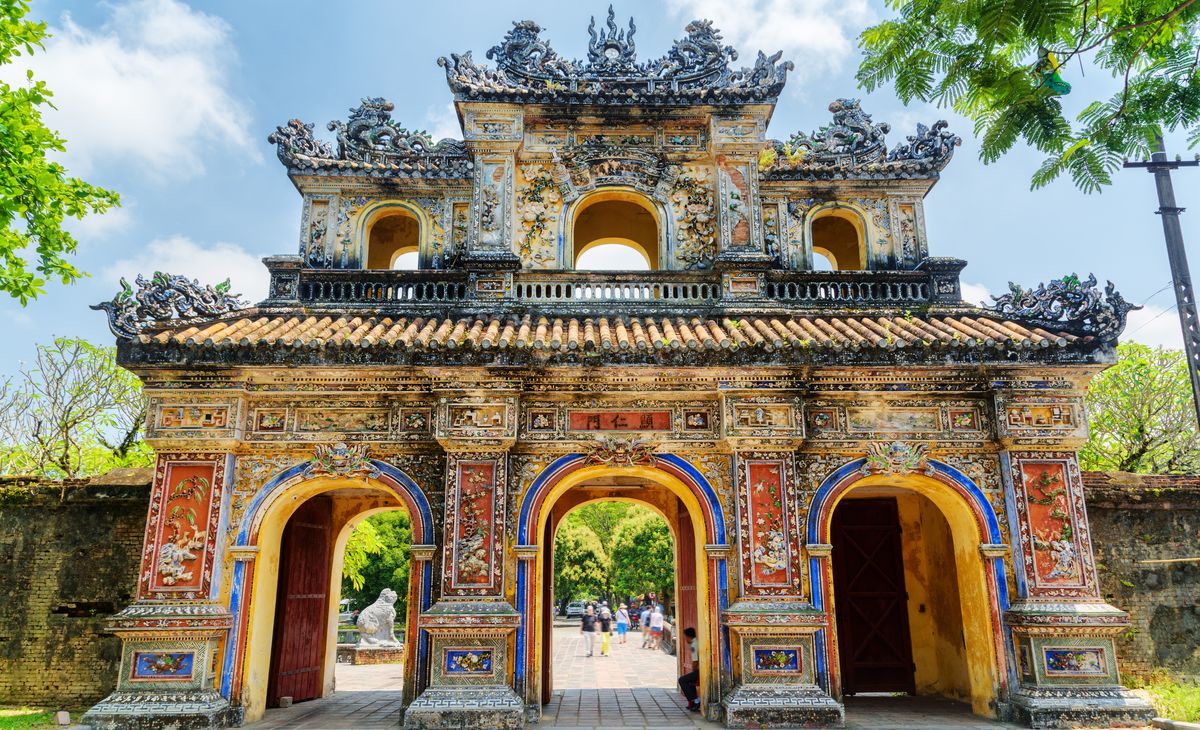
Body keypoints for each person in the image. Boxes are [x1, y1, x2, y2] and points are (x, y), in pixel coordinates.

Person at [678, 627, 700, 712]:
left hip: (698, 670)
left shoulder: (694, 645)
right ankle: (694, 701)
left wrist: (694, 671)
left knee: (682, 680)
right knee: (689, 681)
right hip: (699, 670)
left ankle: (695, 700)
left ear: (688, 636)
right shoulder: (696, 642)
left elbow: (695, 661)